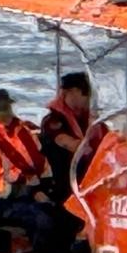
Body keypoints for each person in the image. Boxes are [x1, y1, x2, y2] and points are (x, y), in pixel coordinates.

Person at [0, 88, 61, 253]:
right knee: (43, 219)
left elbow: (41, 161)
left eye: (8, 107)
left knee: (64, 211)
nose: (6, 113)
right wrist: (29, 191)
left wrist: (45, 188)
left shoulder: (22, 130)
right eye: (1, 108)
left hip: (33, 189)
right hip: (1, 201)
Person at [38, 72, 97, 203]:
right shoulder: (53, 121)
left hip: (86, 174)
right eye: (84, 94)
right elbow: (70, 145)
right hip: (62, 179)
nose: (87, 99)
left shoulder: (85, 117)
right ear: (72, 92)